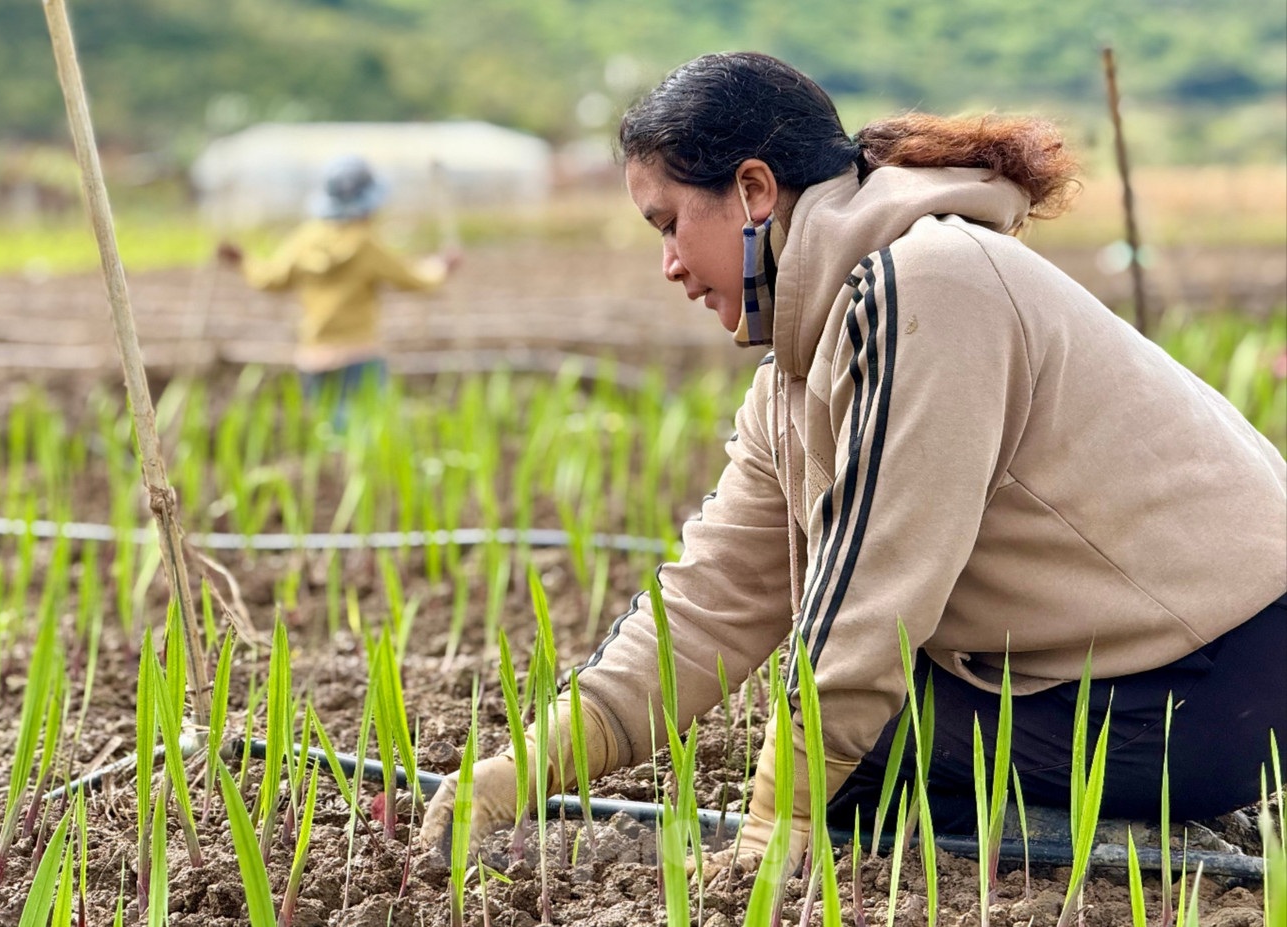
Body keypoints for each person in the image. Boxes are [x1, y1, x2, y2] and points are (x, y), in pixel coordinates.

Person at [418, 52, 1287, 876]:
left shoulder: (930, 284)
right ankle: (1080, 823)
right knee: (836, 738)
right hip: (1161, 675)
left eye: (671, 224)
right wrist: (519, 770)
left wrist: (777, 819)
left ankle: (1108, 839)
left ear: (753, 190)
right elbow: (709, 600)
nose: (671, 265)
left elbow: (878, 586)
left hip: (1222, 676)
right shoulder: (797, 378)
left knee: (848, 743)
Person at [218, 155, 460, 407]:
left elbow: (269, 279)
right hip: (359, 353)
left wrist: (241, 261)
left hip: (314, 355)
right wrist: (442, 267)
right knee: (365, 429)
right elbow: (414, 280)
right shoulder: (366, 244)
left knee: (323, 429)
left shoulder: (306, 239)